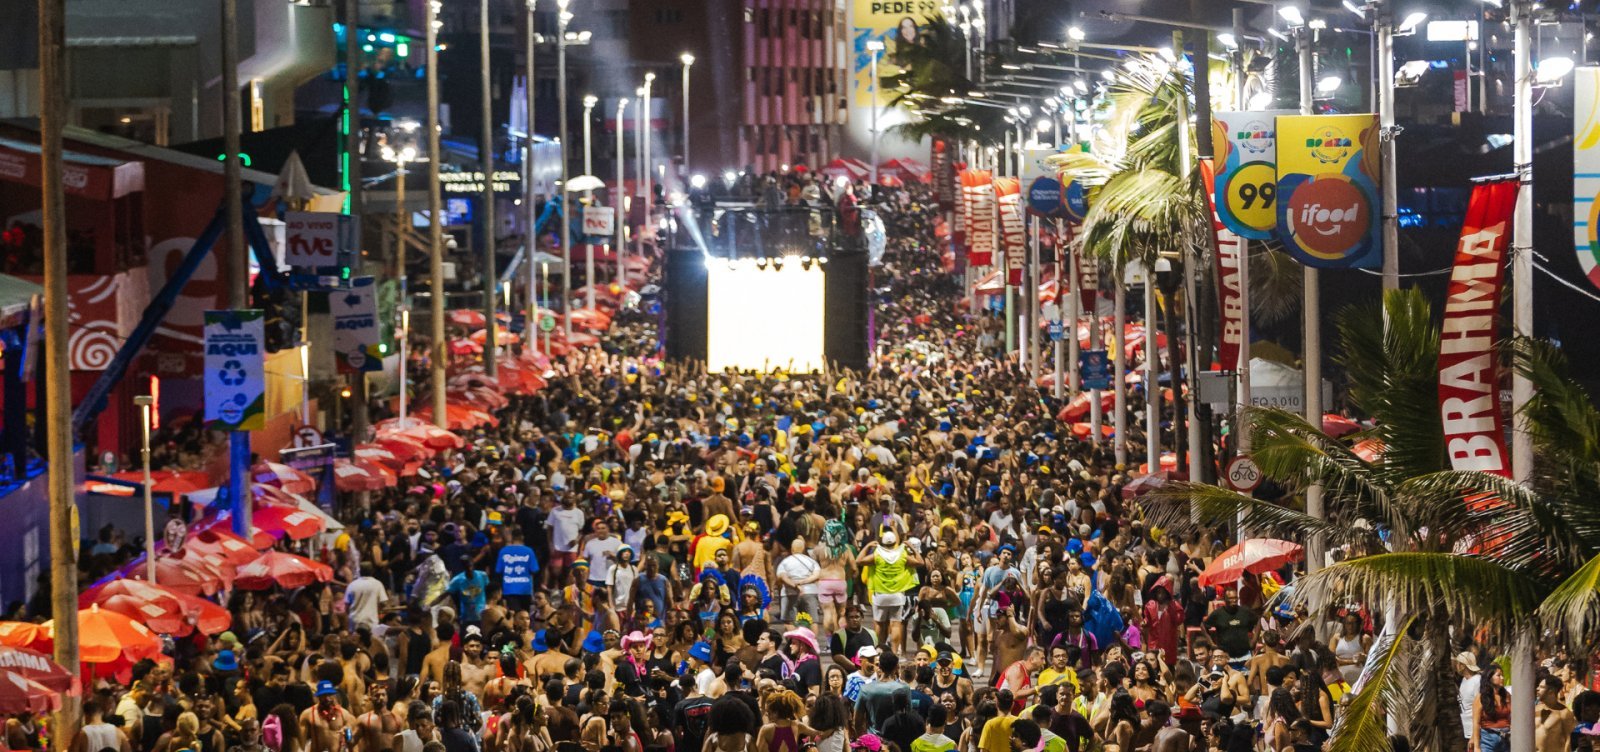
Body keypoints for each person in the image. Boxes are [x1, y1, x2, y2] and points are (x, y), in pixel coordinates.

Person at [300, 681, 358, 752]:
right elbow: (301, 744)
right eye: (324, 695)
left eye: (330, 694)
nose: (327, 698)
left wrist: (347, 732)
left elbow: (352, 743)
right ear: (319, 696)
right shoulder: (308, 714)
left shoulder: (344, 715)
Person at [1475, 665, 1512, 752]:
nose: (1502, 678)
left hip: (1506, 738)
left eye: (1502, 675)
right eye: (1499, 675)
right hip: (1488, 738)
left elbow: (1512, 716)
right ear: (1489, 678)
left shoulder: (1506, 695)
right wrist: (1477, 747)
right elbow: (1476, 723)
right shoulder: (1481, 697)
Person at [1536, 675, 1577, 752]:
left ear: (1551, 691)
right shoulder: (1536, 709)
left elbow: (1569, 740)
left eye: (1541, 687)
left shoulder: (1564, 713)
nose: (1537, 689)